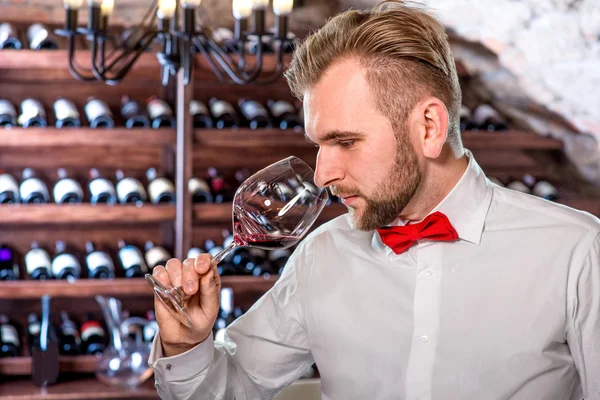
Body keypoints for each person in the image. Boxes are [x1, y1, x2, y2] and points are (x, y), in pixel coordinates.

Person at [148, 1, 600, 399]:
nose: (322, 175)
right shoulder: (320, 257)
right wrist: (187, 346)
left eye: (345, 141)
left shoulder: (577, 252)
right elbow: (229, 391)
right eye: (318, 145)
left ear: (428, 128)